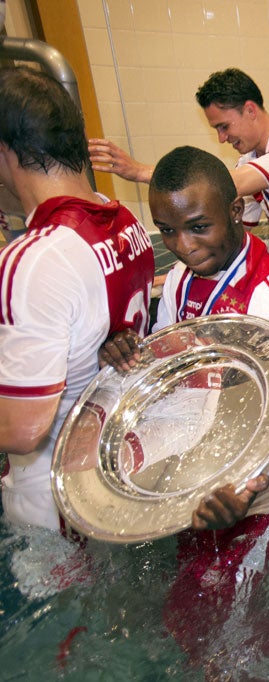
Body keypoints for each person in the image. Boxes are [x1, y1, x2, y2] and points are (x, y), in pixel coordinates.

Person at [97, 146, 269, 671]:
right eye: (166, 231)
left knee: (220, 634)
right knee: (186, 618)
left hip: (260, 498)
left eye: (197, 227)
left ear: (237, 212)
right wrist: (128, 353)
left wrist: (249, 485)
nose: (183, 247)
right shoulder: (185, 283)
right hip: (202, 479)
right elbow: (175, 383)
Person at [0, 67, 154, 544]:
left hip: (53, 499)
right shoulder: (123, 217)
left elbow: (23, 429)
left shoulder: (34, 258)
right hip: (118, 461)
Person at [88, 68, 269, 337]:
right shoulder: (248, 162)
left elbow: (226, 184)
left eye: (223, 126)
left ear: (250, 110)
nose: (221, 138)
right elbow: (238, 234)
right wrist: (181, 273)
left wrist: (141, 172)